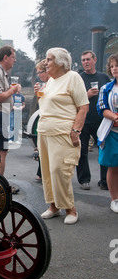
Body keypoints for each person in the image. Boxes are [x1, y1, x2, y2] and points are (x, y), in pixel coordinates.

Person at [37, 48, 89, 225]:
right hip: (44, 132)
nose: (46, 62)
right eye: (46, 58)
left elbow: (83, 107)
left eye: (49, 59)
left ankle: (70, 208)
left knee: (59, 170)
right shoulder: (51, 81)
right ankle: (53, 206)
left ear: (61, 62)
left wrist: (76, 131)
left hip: (62, 132)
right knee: (47, 171)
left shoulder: (73, 77)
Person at [77, 50, 110, 190]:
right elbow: (73, 99)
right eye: (83, 60)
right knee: (82, 151)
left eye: (88, 59)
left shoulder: (103, 77)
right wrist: (87, 94)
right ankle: (84, 180)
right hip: (83, 120)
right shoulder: (78, 78)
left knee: (104, 150)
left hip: (100, 120)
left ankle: (105, 181)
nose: (85, 62)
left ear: (94, 60)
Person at [0, 45, 21, 187]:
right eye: (13, 57)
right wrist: (12, 90)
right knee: (0, 151)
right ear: (5, 57)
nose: (15, 60)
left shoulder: (0, 71)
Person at [97, 53, 118, 213]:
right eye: (112, 66)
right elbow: (102, 108)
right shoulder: (106, 88)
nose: (115, 69)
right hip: (112, 131)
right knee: (113, 167)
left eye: (117, 65)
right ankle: (114, 199)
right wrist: (116, 117)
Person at [33, 59, 51, 181]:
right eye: (38, 73)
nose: (39, 75)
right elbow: (41, 104)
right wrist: (37, 94)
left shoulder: (53, 84)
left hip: (51, 120)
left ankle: (43, 173)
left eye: (41, 72)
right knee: (42, 149)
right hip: (44, 119)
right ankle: (41, 173)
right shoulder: (44, 86)